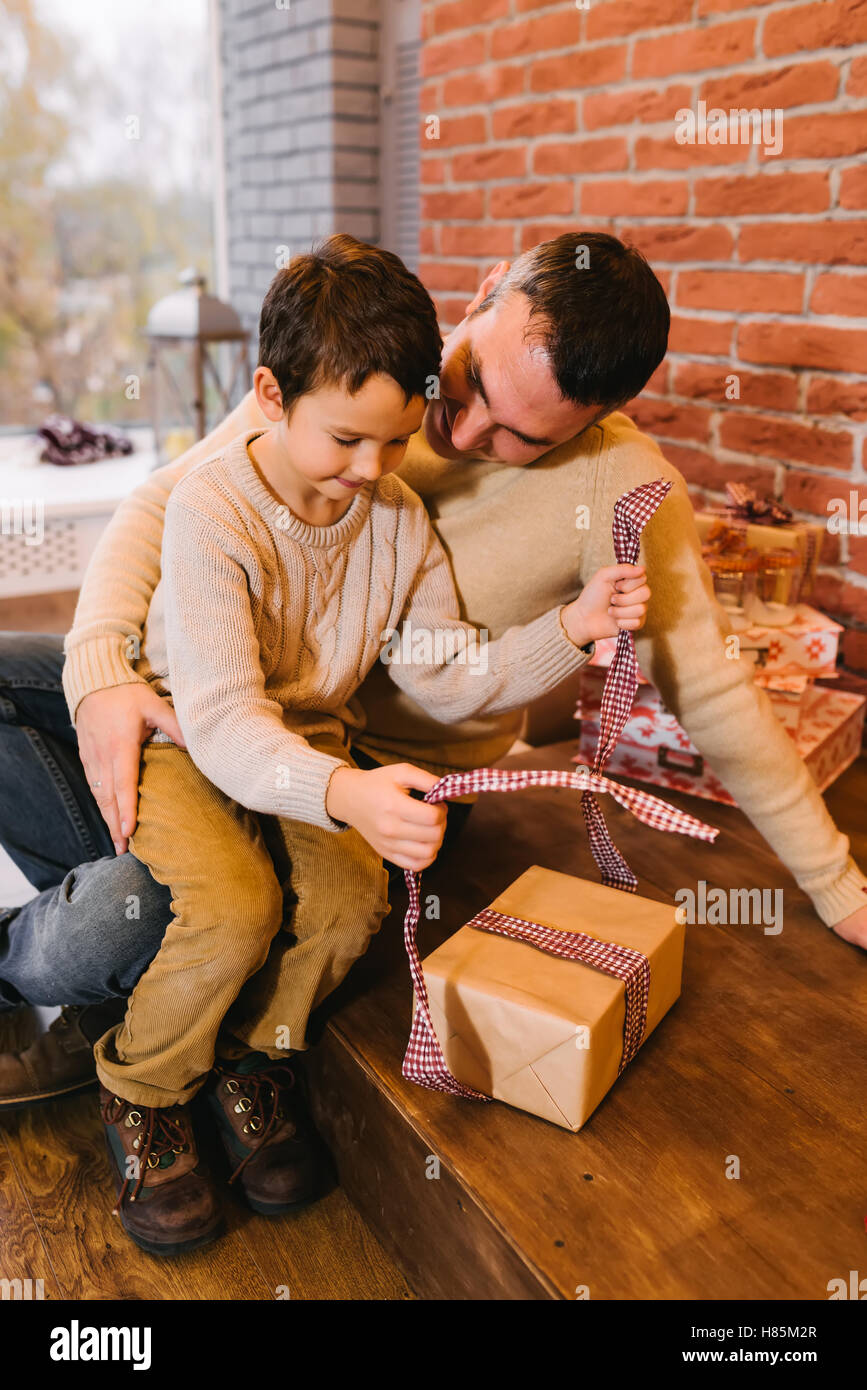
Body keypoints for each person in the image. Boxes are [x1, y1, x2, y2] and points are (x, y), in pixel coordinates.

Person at [1, 231, 864, 1135]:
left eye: (521, 439)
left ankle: (132, 1005)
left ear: (592, 422)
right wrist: (101, 669)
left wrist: (835, 883)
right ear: (484, 295)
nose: (457, 434)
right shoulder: (368, 367)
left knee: (166, 913)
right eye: (469, 387)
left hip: (367, 764)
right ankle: (120, 957)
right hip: (217, 699)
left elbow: (711, 693)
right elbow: (169, 501)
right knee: (58, 712)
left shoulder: (618, 493)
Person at [89, 235, 650, 1254]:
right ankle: (144, 1084)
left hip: (307, 741)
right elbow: (221, 722)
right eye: (348, 439)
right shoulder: (213, 506)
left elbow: (445, 673)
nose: (374, 469)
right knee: (233, 905)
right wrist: (348, 797)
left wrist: (567, 629)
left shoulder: (393, 515)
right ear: (269, 394)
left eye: (394, 442)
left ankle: (256, 1061)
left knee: (352, 897)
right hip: (187, 729)